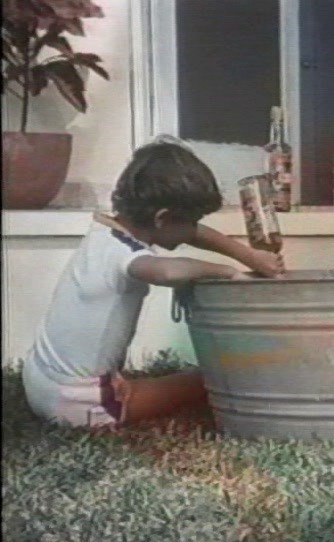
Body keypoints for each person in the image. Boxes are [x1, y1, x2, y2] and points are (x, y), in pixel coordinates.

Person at [22, 136, 285, 427]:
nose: (193, 229)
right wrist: (227, 271)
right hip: (77, 404)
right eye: (191, 219)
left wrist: (250, 256)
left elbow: (192, 233)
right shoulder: (126, 255)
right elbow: (167, 272)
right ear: (162, 218)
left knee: (188, 380)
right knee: (213, 378)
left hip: (40, 379)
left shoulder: (105, 232)